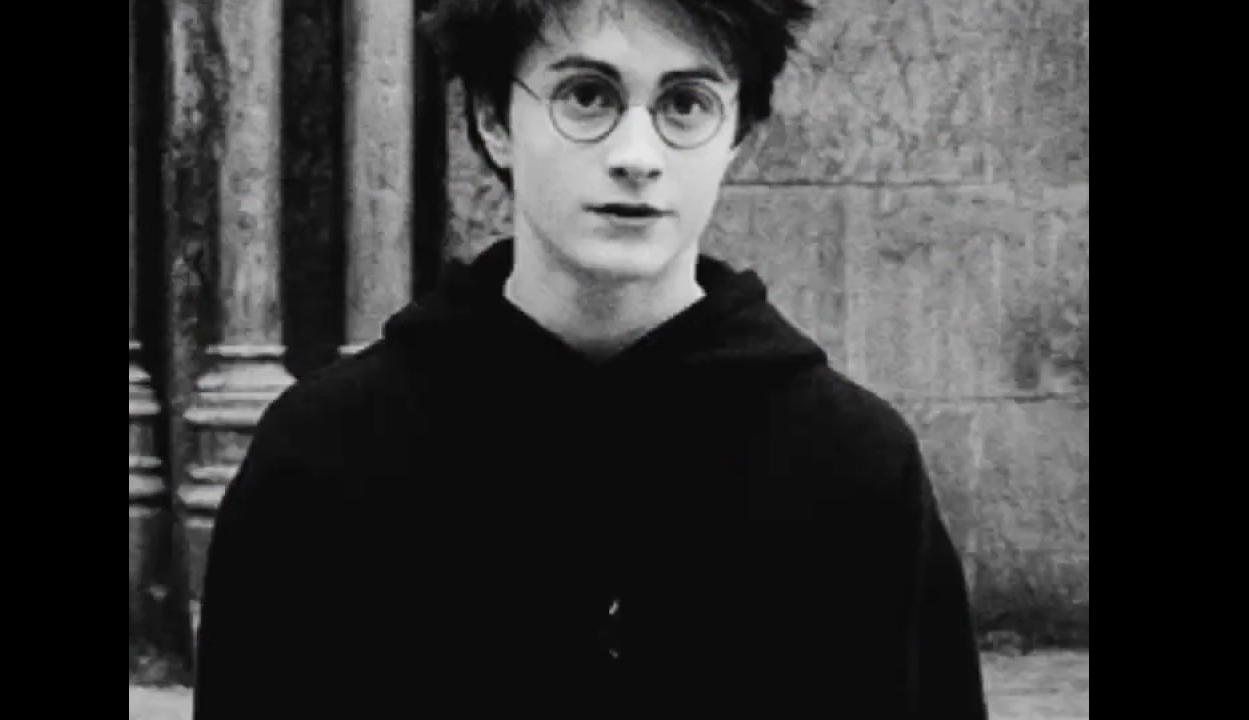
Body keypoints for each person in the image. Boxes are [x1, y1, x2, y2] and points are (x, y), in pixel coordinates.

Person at [192, 0, 990, 717]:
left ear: (739, 138)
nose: (637, 155)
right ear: (493, 120)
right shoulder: (326, 454)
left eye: (686, 103)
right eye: (586, 95)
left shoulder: (854, 466)